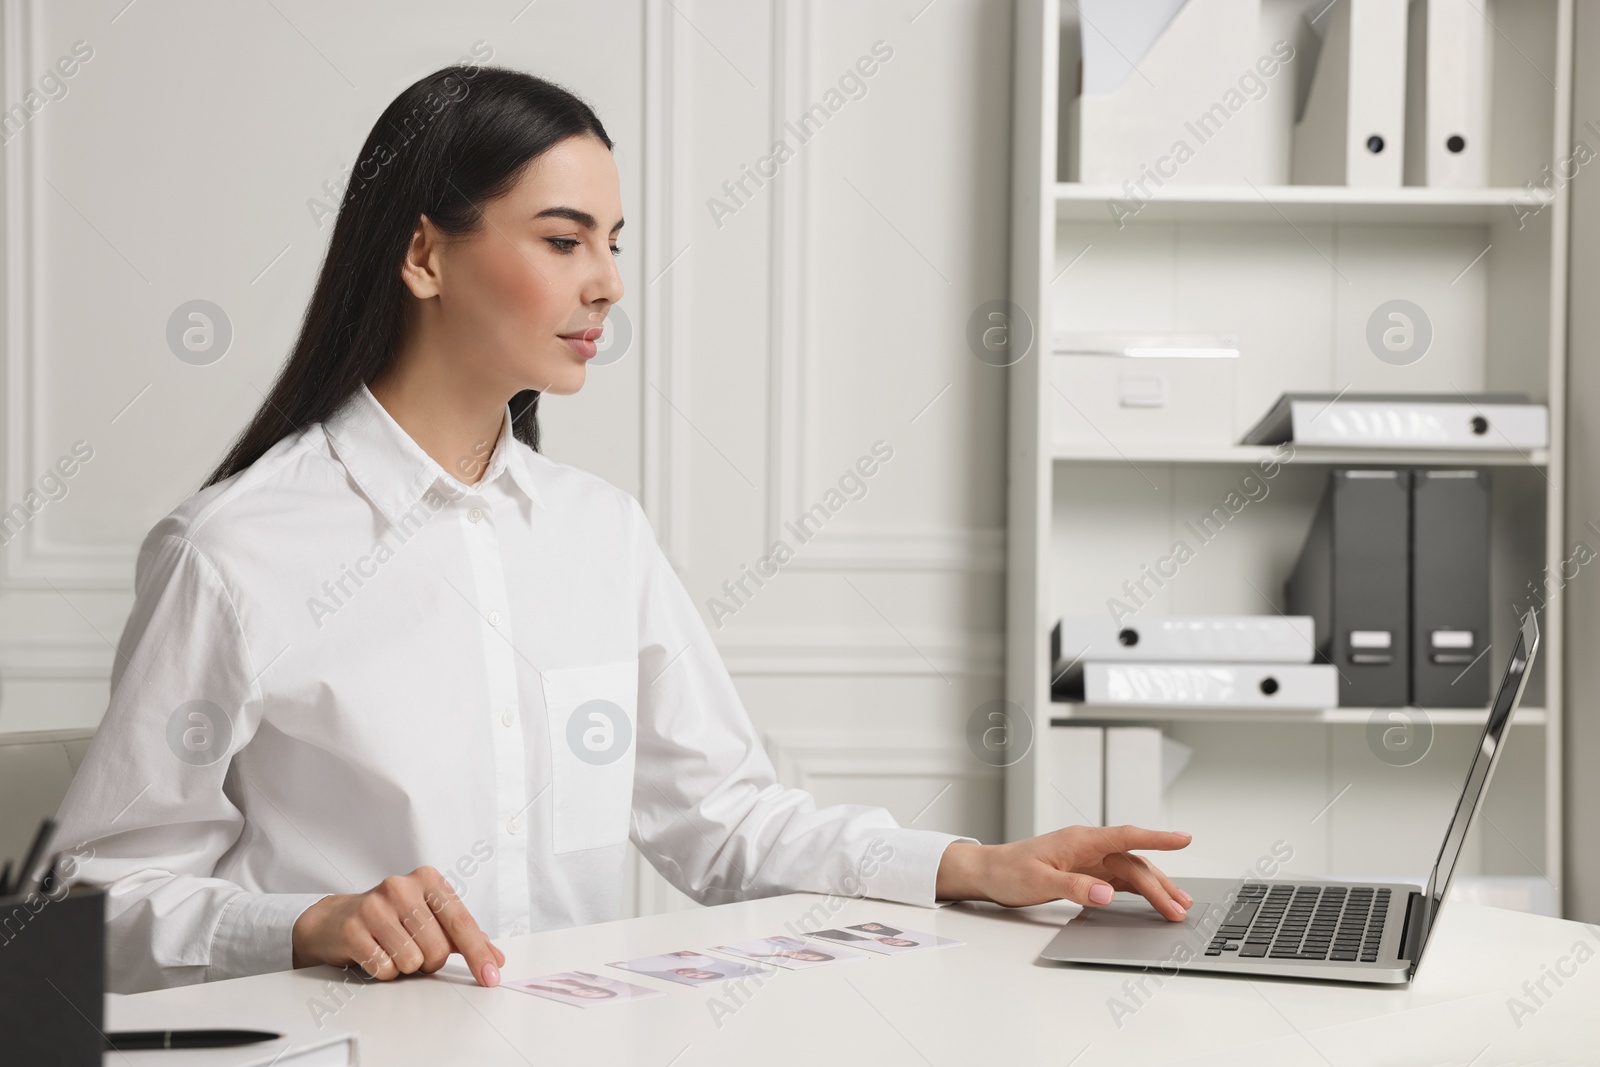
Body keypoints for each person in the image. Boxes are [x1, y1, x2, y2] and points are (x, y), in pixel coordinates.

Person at [52, 65, 1193, 995]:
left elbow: (722, 819)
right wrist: (311, 921)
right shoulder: (238, 548)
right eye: (562, 240)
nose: (606, 284)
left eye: (614, 240)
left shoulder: (601, 535)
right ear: (422, 255)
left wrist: (973, 863)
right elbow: (92, 900)